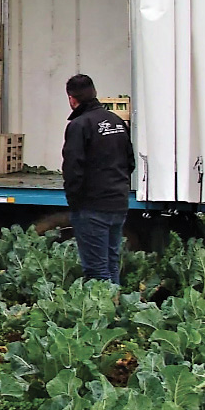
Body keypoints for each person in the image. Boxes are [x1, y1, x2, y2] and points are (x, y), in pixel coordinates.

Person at [62, 74, 135, 284]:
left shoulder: (79, 125)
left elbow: (73, 170)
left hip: (92, 208)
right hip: (118, 204)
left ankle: (103, 314)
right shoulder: (117, 121)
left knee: (96, 271)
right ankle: (116, 308)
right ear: (94, 93)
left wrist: (75, 203)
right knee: (112, 264)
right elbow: (130, 162)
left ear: (72, 99)